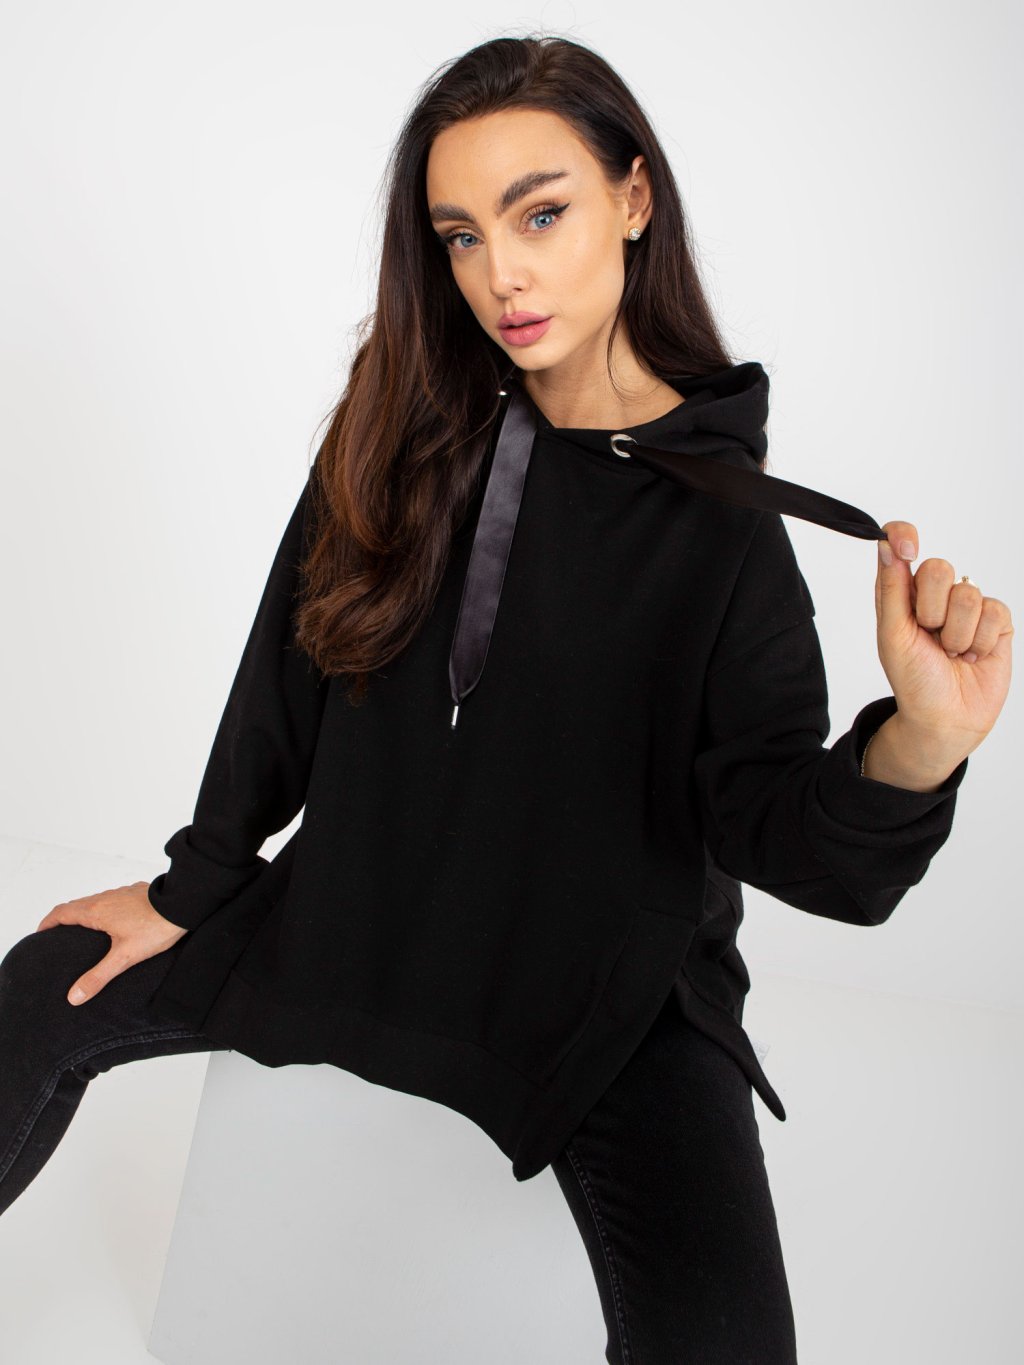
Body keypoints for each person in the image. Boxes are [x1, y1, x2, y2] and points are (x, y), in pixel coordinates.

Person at [0, 33, 1012, 1364]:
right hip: (358, 917)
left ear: (634, 199)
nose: (501, 275)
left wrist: (923, 740)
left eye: (540, 215)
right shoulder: (403, 428)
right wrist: (196, 885)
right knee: (44, 984)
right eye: (462, 236)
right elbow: (281, 682)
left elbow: (778, 831)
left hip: (606, 996)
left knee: (725, 1337)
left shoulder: (724, 530)